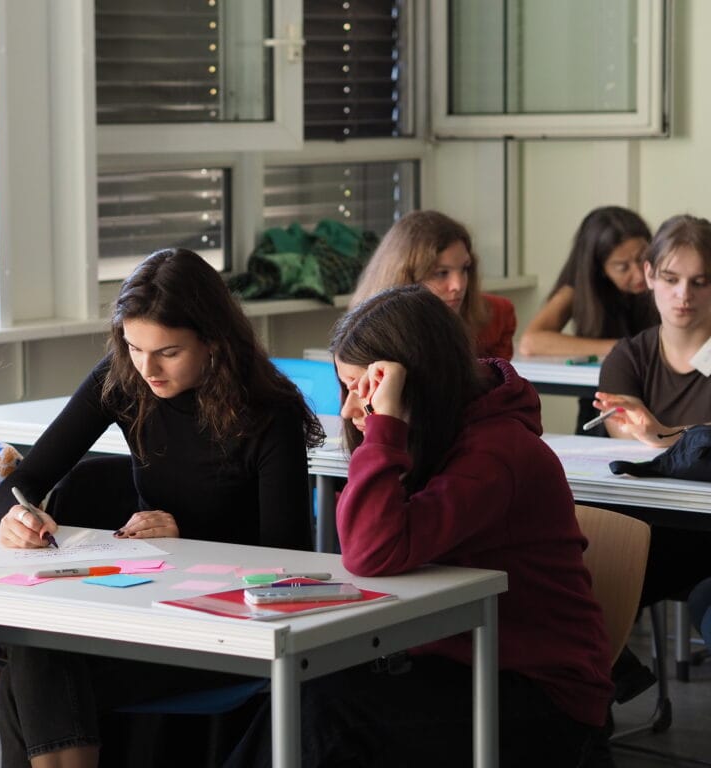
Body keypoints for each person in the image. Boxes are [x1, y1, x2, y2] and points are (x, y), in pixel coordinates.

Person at [226, 285, 613, 768]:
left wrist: (386, 423)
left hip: (540, 698)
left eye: (360, 389)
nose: (348, 410)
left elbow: (369, 552)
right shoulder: (438, 434)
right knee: (297, 698)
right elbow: (362, 542)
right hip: (447, 663)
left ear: (411, 384)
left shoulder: (498, 453)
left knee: (326, 713)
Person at [0, 247, 325, 768]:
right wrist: (17, 514)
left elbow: (289, 561)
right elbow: (25, 478)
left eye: (168, 351)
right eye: (132, 346)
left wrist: (187, 532)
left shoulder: (268, 411)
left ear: (213, 341)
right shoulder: (124, 376)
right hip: (147, 603)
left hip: (228, 626)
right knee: (33, 658)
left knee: (27, 681)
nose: (146, 368)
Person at [593, 213, 711, 609]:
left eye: (700, 282)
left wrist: (662, 432)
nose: (684, 295)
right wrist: (668, 434)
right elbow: (623, 431)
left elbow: (654, 434)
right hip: (651, 523)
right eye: (671, 279)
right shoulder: (628, 357)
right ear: (649, 275)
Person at [519, 206, 656, 434]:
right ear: (599, 269)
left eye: (644, 257)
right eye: (622, 267)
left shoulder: (667, 281)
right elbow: (532, 341)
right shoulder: (579, 290)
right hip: (603, 405)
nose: (640, 274)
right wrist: (624, 349)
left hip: (658, 402)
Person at [349, 209, 516, 360]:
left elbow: (503, 391)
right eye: (441, 273)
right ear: (405, 278)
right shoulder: (369, 333)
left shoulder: (496, 316)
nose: (458, 285)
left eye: (465, 268)